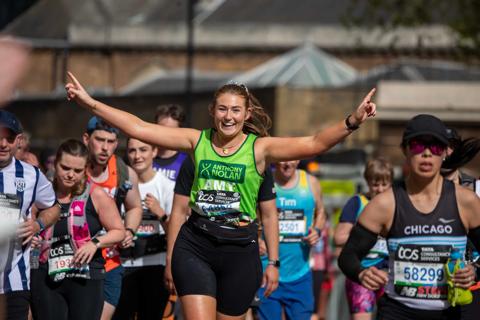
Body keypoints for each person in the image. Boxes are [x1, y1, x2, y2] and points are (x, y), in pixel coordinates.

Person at [66, 72, 377, 319]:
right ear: (213, 111)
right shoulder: (196, 141)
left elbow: (314, 143)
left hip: (240, 251)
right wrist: (90, 102)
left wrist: (352, 121)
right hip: (196, 245)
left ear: (247, 113)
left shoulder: (259, 148)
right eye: (223, 109)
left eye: (236, 110)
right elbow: (139, 127)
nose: (229, 116)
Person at [338, 114, 480, 320]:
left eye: (436, 147)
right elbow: (347, 257)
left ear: (445, 153)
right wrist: (362, 273)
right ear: (404, 149)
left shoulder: (466, 202)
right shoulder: (385, 204)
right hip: (398, 312)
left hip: (451, 312)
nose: (427, 154)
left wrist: (474, 271)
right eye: (417, 145)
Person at [164, 154, 280, 319]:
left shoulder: (257, 159)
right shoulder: (196, 155)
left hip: (240, 255)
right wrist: (170, 259)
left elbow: (269, 215)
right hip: (196, 249)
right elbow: (179, 211)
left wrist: (273, 262)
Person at [30, 139, 125, 320]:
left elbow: (118, 231)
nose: (71, 175)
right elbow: (28, 224)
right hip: (46, 276)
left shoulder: (95, 194)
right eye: (65, 168)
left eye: (77, 170)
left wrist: (94, 244)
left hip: (85, 277)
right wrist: (32, 238)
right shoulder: (42, 193)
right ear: (55, 164)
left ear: (86, 169)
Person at [0, 110, 60, 320]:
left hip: (14, 278)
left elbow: (54, 207)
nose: (3, 144)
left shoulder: (31, 174)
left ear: (19, 141)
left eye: (9, 138)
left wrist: (38, 225)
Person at [82, 117, 143, 320]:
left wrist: (129, 230)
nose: (105, 148)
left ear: (116, 143)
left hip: (110, 263)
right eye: (100, 140)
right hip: (77, 261)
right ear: (86, 139)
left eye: (110, 142)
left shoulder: (125, 174)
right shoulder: (74, 170)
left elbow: (134, 207)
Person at [113, 138, 174, 320]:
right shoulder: (120, 184)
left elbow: (178, 232)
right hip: (123, 265)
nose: (137, 156)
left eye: (143, 150)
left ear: (155, 151)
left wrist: (160, 213)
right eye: (132, 151)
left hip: (155, 266)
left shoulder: (167, 186)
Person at [256, 160, 325, 320]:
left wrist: (317, 230)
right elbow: (249, 214)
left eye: (292, 159)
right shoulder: (264, 181)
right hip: (268, 272)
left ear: (298, 159)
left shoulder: (311, 183)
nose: (287, 164)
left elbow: (321, 212)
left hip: (300, 274)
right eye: (283, 159)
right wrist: (256, 238)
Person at [335, 158, 393, 320]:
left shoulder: (395, 204)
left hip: (388, 273)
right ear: (367, 182)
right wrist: (367, 234)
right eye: (375, 185)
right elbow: (339, 238)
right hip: (362, 271)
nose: (380, 189)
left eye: (384, 184)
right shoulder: (357, 203)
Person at [441, 128, 480, 320]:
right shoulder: (417, 193)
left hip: (471, 289)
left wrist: (476, 268)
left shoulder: (478, 189)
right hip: (431, 293)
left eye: (452, 147)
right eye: (441, 146)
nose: (447, 152)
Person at [152, 104, 188, 181]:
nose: (165, 134)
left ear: (180, 131)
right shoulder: (143, 159)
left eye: (171, 131)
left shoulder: (186, 162)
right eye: (161, 129)